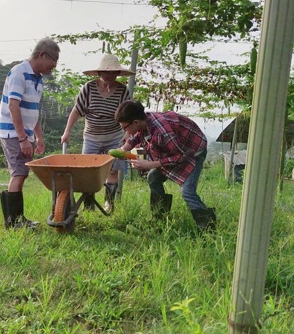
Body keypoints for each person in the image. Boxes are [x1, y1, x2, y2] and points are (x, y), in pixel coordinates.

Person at [115, 100, 216, 233]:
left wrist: (149, 164)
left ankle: (208, 229)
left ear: (135, 122)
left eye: (124, 127)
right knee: (153, 178)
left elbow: (179, 157)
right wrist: (124, 149)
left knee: (187, 192)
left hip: (192, 152)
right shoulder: (144, 121)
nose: (124, 131)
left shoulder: (163, 131)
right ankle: (159, 218)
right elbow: (136, 136)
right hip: (175, 150)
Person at [0, 37, 60, 229]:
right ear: (42, 55)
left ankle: (15, 219)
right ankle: (14, 222)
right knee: (19, 173)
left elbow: (32, 111)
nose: (55, 66)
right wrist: (23, 138)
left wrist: (38, 136)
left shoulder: (38, 79)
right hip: (13, 133)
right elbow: (13, 106)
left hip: (25, 134)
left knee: (21, 173)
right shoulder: (19, 73)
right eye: (54, 60)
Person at [60, 54, 134, 212]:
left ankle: (109, 203)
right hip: (92, 136)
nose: (110, 76)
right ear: (99, 73)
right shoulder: (88, 88)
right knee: (88, 171)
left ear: (118, 74)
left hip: (114, 136)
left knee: (113, 170)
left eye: (113, 73)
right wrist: (67, 131)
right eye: (106, 72)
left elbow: (129, 114)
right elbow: (77, 111)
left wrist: (127, 133)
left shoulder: (122, 91)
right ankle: (88, 205)